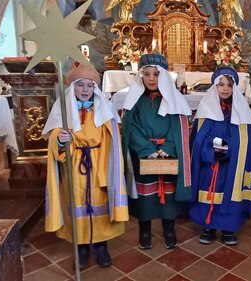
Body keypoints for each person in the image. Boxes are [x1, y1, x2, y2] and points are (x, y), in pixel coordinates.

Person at [42, 62, 128, 269]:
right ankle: (80, 248)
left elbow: (112, 140)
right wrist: (60, 139)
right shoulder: (63, 112)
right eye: (81, 85)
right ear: (72, 87)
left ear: (95, 89)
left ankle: (101, 246)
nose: (85, 90)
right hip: (74, 168)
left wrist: (106, 169)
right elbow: (54, 140)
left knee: (99, 209)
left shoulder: (104, 111)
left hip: (98, 167)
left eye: (90, 86)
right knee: (78, 207)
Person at [121, 53, 192, 250]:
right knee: (145, 196)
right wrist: (146, 149)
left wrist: (167, 147)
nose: (152, 78)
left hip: (167, 155)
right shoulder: (135, 101)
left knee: (168, 196)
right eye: (147, 74)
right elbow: (130, 127)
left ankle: (169, 228)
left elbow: (179, 125)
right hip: (143, 155)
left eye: (156, 74)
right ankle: (145, 229)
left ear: (164, 76)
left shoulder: (173, 100)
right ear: (140, 77)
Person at [189, 66, 251, 245]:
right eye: (221, 85)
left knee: (230, 192)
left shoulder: (242, 112)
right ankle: (208, 226)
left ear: (234, 87)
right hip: (210, 163)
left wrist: (226, 149)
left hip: (232, 165)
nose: (225, 89)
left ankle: (228, 228)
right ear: (214, 87)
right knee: (209, 191)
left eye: (229, 85)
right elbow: (199, 140)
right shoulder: (205, 110)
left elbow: (244, 140)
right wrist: (214, 151)